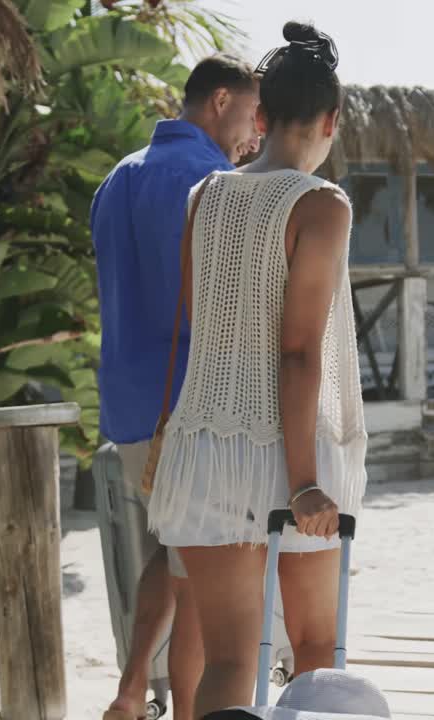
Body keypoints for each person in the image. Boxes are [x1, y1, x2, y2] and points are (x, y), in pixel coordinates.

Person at [143, 21, 368, 717]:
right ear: (331, 119)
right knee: (316, 650)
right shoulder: (322, 205)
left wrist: (162, 433)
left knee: (229, 659)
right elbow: (298, 350)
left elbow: (194, 324)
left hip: (205, 447)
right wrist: (302, 481)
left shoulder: (204, 196)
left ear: (261, 116)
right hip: (291, 452)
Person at [90, 54, 261, 720]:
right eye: (251, 114)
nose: (254, 134)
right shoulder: (211, 180)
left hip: (129, 401)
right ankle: (169, 706)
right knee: (199, 582)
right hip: (191, 400)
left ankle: (134, 689)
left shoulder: (117, 176)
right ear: (220, 101)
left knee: (175, 553)